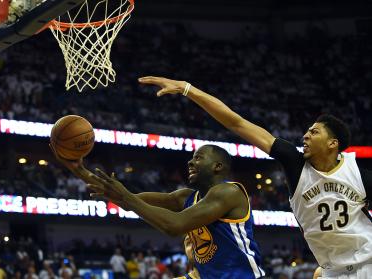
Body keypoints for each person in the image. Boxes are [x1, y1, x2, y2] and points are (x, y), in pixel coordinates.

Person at [138, 76, 372, 278]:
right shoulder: (295, 164)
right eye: (307, 131)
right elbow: (236, 122)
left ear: (333, 144)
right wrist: (187, 89)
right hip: (332, 271)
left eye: (314, 132)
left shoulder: (358, 175)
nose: (305, 136)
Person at [51, 144, 265, 278]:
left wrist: (126, 197)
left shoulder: (229, 191)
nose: (190, 161)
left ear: (218, 167)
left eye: (198, 157)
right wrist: (78, 170)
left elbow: (175, 225)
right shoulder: (185, 197)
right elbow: (128, 201)